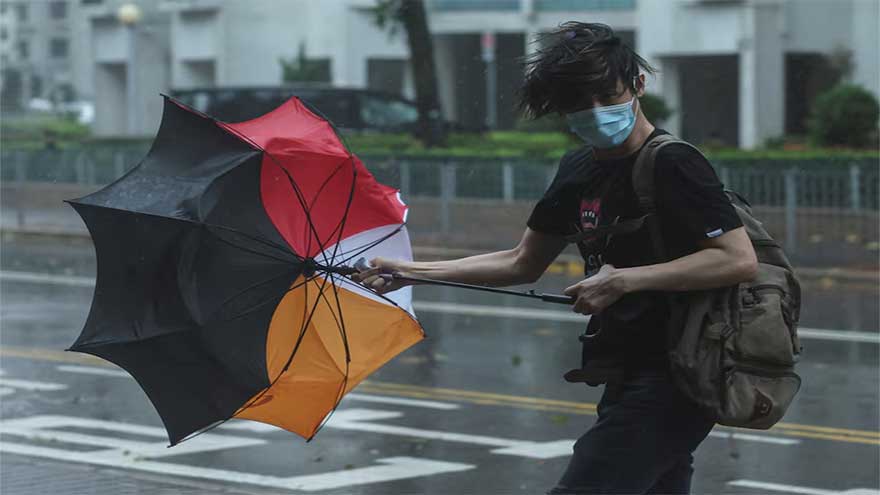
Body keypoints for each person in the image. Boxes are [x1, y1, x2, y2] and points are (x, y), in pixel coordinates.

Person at [353, 22, 757, 495]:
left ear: (639, 84)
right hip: (624, 368)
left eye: (607, 96)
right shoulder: (580, 168)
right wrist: (411, 271)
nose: (595, 112)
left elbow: (736, 259)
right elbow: (521, 262)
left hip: (685, 370)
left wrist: (624, 280)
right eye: (577, 104)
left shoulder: (674, 163)